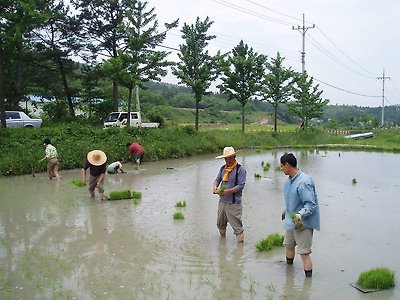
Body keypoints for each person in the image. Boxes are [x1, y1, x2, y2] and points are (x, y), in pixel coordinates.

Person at [280, 153, 320, 277]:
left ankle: (307, 284)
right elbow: (292, 200)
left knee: (304, 253)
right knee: (288, 245)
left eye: (282, 166)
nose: (281, 169)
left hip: (304, 223)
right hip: (290, 219)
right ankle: (289, 275)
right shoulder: (289, 182)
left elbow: (310, 204)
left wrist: (299, 215)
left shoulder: (304, 182)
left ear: (287, 165)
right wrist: (285, 211)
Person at [213, 146, 247, 243]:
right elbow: (217, 180)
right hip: (222, 202)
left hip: (234, 203)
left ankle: (240, 250)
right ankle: (222, 243)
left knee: (238, 228)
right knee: (220, 224)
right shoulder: (223, 169)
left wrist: (227, 191)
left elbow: (240, 186)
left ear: (234, 157)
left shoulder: (240, 170)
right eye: (226, 158)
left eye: (230, 157)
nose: (228, 160)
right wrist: (215, 186)